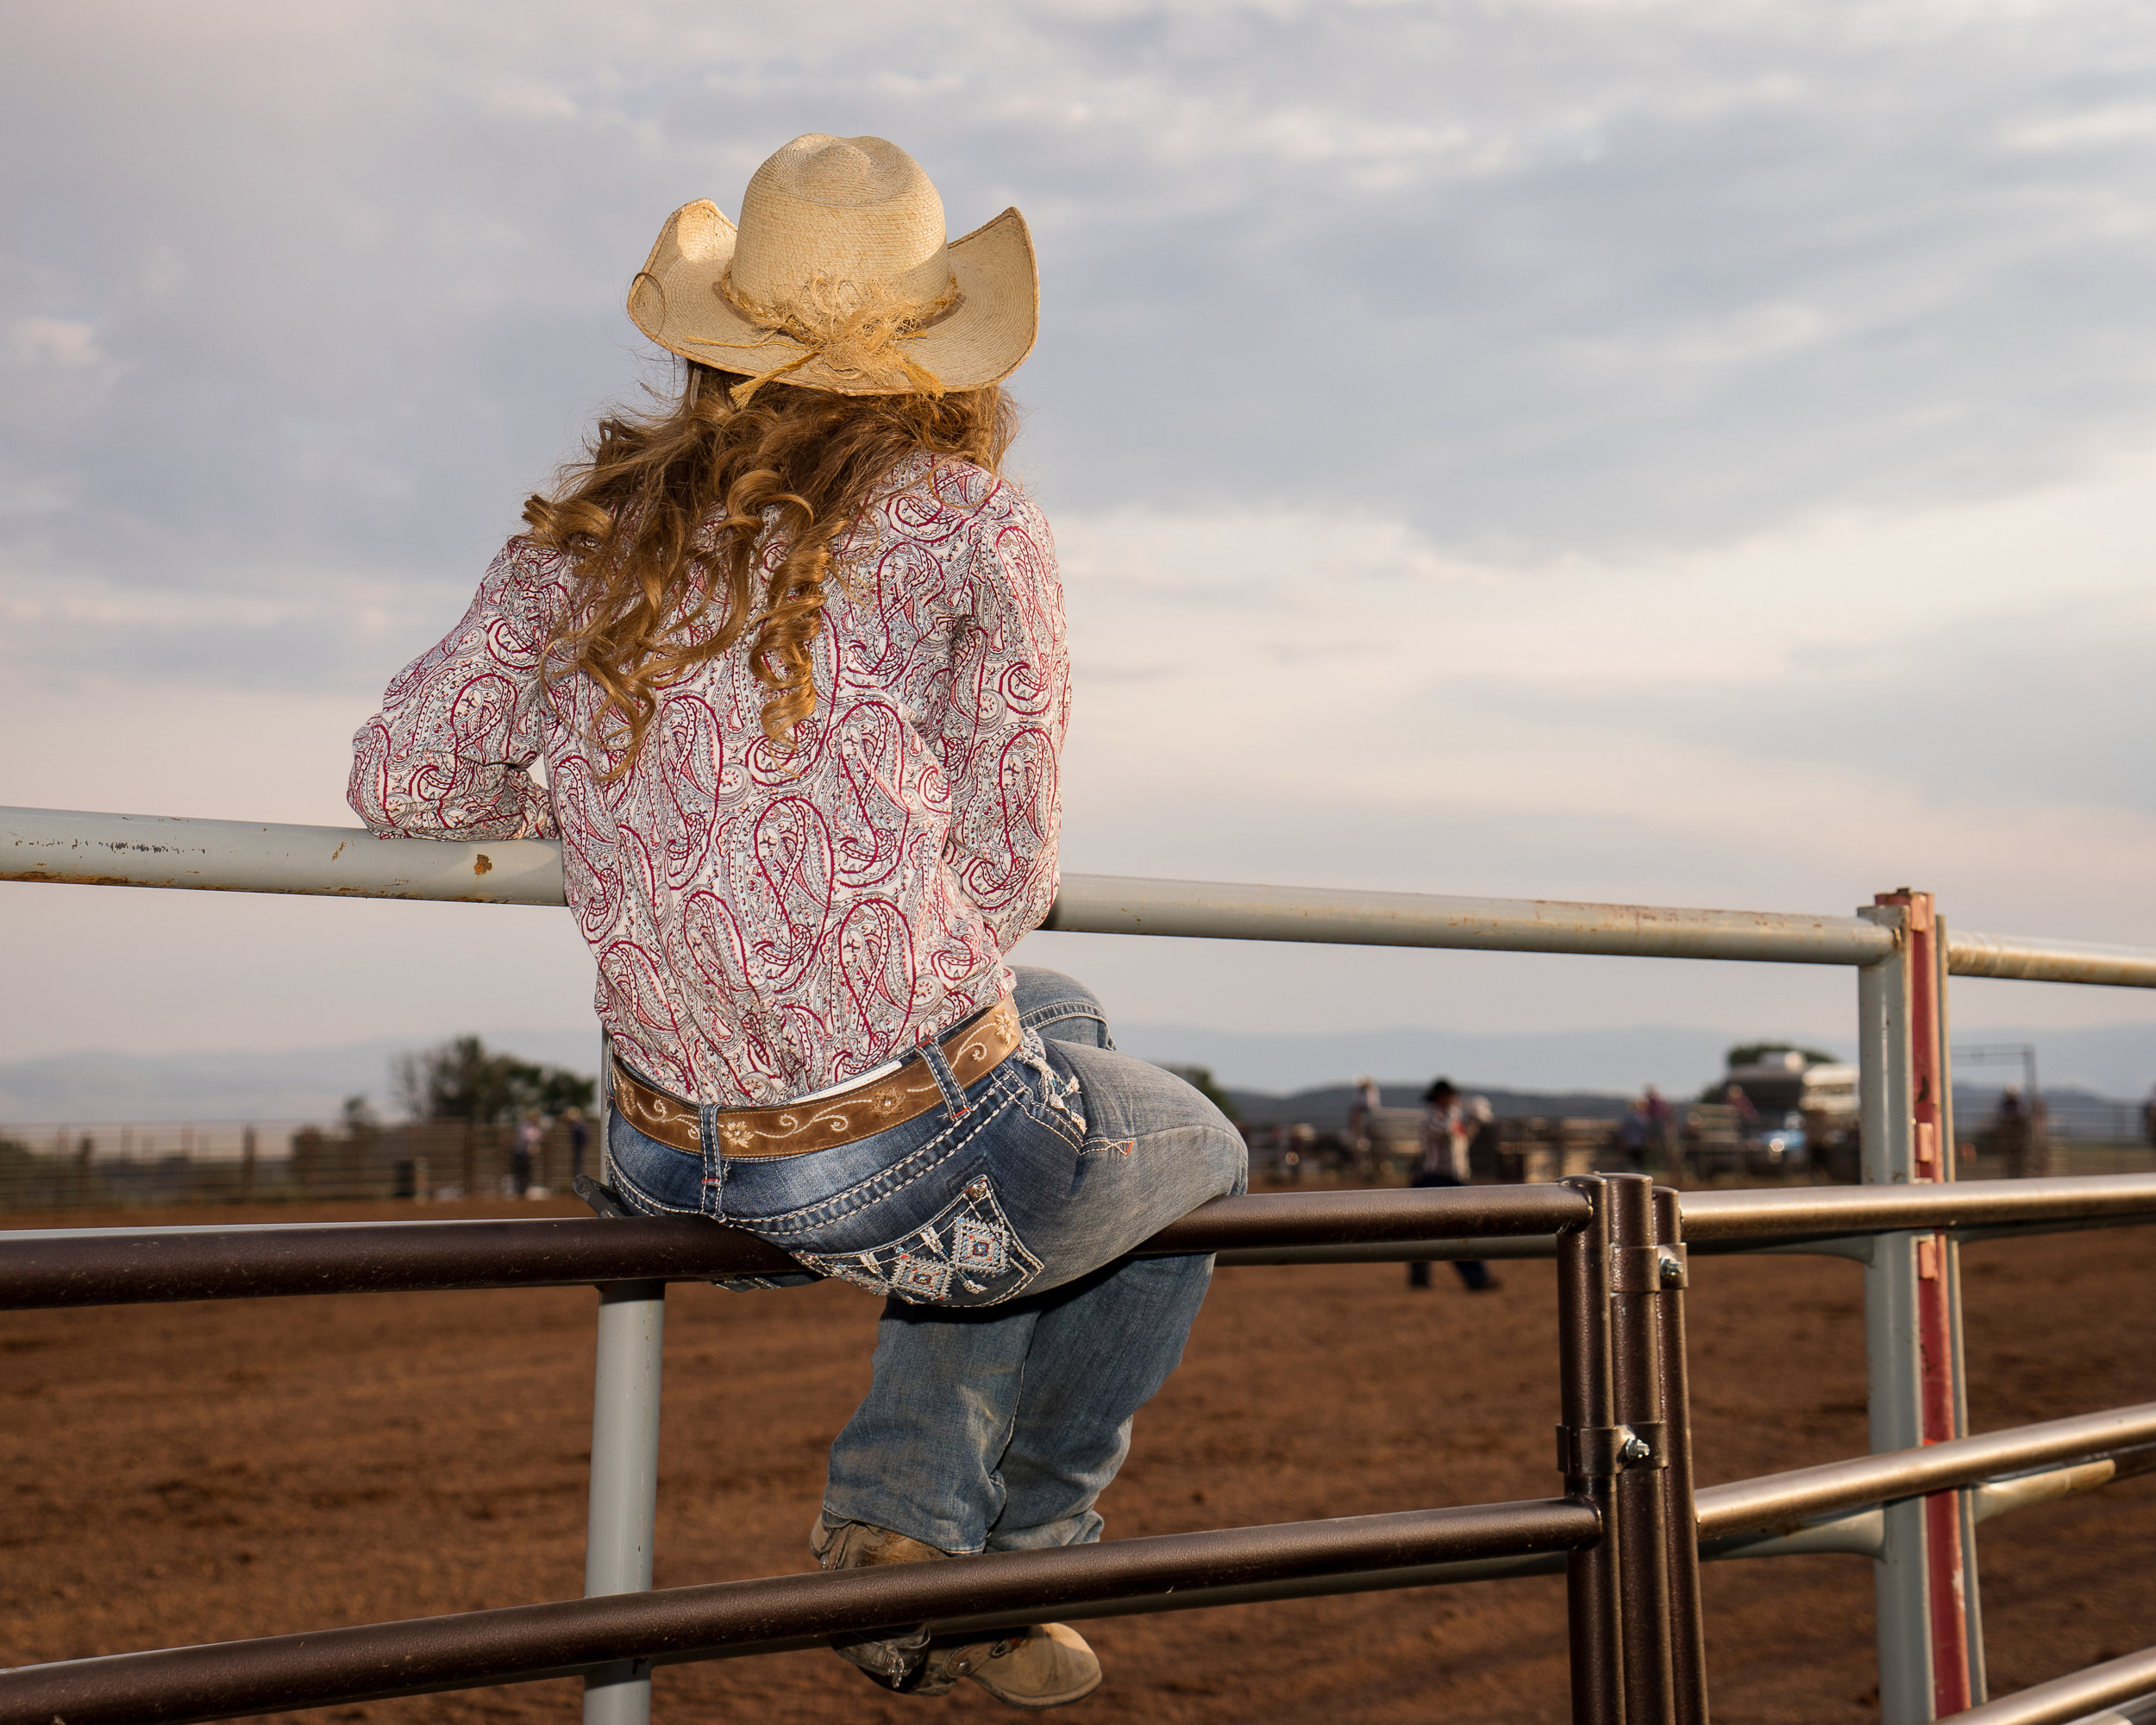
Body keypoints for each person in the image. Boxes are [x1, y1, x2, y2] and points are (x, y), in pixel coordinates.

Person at [348, 133, 1244, 1709]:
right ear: (930, 359)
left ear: (718, 352)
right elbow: (1006, 868)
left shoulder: (587, 539)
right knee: (1202, 1158)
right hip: (879, 1153)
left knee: (1066, 1019)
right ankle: (1012, 1552)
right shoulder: (972, 521)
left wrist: (624, 803)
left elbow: (405, 782)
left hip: (659, 1149)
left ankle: (913, 1515)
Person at [1405, 1078, 1497, 1292]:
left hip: (1454, 1179)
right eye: (1451, 1096)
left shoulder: (1451, 1117)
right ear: (1440, 1097)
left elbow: (1464, 1135)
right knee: (1432, 1230)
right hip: (1434, 1178)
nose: (1455, 1099)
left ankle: (1476, 1278)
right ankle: (1426, 1279)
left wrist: (1475, 1117)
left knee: (1459, 1229)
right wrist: (1462, 1111)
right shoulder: (1433, 1118)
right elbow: (1444, 1131)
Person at [511, 1110, 542, 1198]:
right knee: (519, 1171)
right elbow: (525, 1137)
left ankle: (523, 1190)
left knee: (527, 1172)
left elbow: (538, 1139)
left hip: (528, 1154)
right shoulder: (524, 1126)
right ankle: (519, 1191)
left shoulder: (537, 1129)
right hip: (520, 1152)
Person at [564, 1107, 589, 1182]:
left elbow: (583, 1137)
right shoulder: (577, 1126)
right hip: (578, 1147)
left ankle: (579, 1182)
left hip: (578, 1147)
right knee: (577, 1166)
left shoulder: (577, 1127)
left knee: (577, 1167)